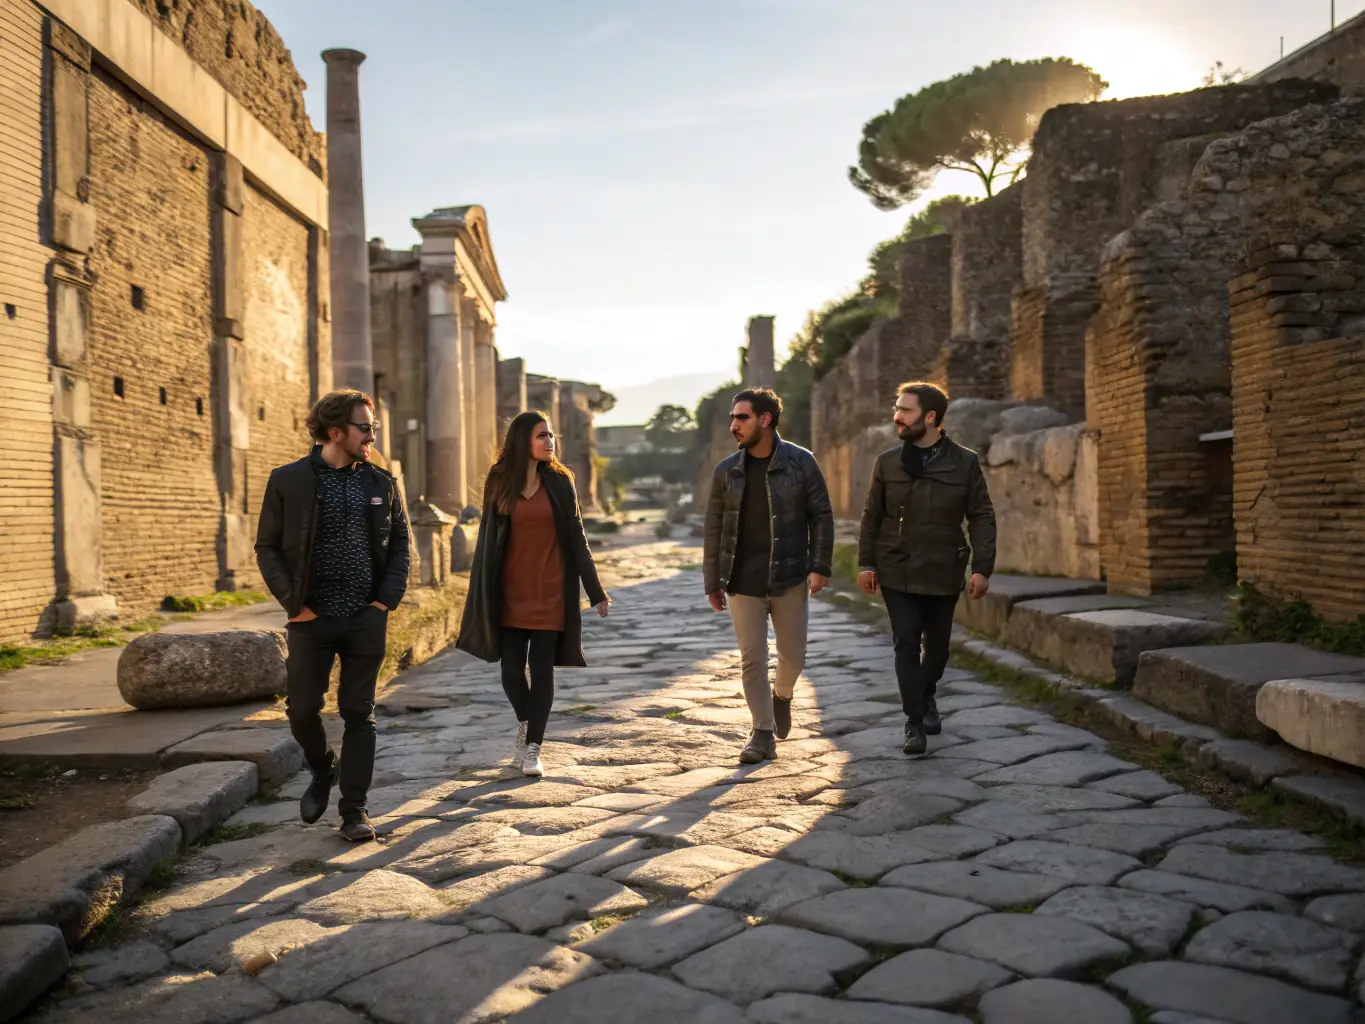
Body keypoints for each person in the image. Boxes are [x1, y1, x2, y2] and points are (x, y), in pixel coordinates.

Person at [255, 389, 410, 842]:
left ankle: (354, 810)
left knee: (359, 712)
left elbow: (400, 542)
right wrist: (293, 605)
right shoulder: (287, 480)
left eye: (374, 427)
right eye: (366, 428)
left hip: (366, 616)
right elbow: (267, 546)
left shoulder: (381, 482)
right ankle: (323, 768)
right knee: (302, 709)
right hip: (311, 618)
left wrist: (385, 601)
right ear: (335, 431)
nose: (372, 436)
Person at [457, 411, 610, 776]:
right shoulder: (498, 481)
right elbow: (487, 542)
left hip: (551, 591)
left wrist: (595, 590)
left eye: (552, 435)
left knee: (541, 670)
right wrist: (480, 592)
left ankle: (534, 749)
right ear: (522, 440)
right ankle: (526, 726)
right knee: (511, 671)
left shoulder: (560, 481)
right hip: (509, 592)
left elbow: (577, 537)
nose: (550, 441)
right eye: (542, 435)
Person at [857, 381, 996, 756]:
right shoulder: (886, 462)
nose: (897, 417)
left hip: (943, 568)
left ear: (930, 417)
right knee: (905, 641)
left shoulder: (964, 462)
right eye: (896, 409)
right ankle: (913, 721)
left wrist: (982, 568)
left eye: (905, 410)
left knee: (936, 649)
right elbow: (872, 516)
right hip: (896, 567)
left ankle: (927, 694)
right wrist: (867, 562)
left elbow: (981, 515)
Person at [703, 387, 834, 764]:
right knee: (751, 659)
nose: (733, 426)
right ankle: (761, 733)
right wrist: (712, 580)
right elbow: (713, 528)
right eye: (732, 418)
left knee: (793, 658)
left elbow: (821, 515)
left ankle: (783, 696)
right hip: (742, 579)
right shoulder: (726, 471)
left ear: (765, 420)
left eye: (741, 418)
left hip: (790, 575)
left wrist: (820, 565)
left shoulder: (801, 462)